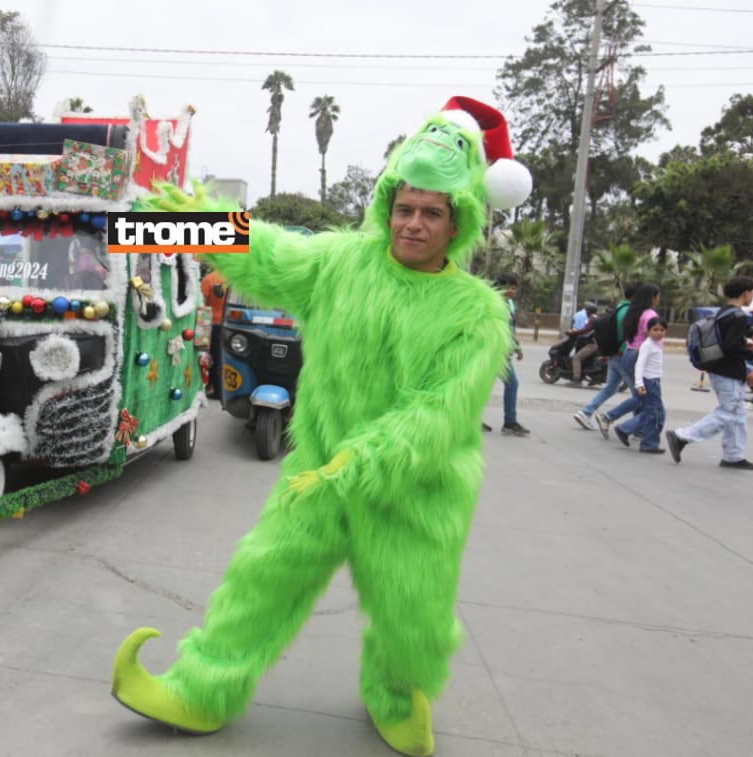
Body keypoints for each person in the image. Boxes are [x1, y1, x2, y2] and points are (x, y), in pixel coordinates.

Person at [110, 95, 533, 756]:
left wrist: (365, 460)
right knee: (261, 577)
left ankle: (396, 693)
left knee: (411, 616)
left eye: (431, 212)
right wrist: (192, 223)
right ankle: (200, 688)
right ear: (387, 205)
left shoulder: (476, 312)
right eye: (405, 207)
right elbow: (268, 252)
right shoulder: (341, 264)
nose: (413, 224)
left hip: (414, 489)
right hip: (318, 472)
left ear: (458, 222)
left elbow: (440, 410)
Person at [667, 276, 753, 470]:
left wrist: (747, 346)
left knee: (738, 413)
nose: (752, 296)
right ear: (745, 293)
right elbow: (731, 347)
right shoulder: (738, 316)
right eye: (752, 293)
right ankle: (682, 436)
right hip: (729, 371)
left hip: (719, 368)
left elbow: (727, 342)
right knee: (728, 412)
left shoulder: (723, 312)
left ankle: (733, 455)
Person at [595, 283, 660, 439]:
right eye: (657, 296)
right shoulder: (649, 315)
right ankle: (611, 419)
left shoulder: (632, 312)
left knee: (640, 396)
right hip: (639, 356)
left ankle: (637, 427)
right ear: (652, 298)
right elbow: (651, 338)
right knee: (645, 398)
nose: (658, 299)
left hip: (629, 354)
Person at [573, 283, 638, 430]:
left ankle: (585, 412)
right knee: (639, 394)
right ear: (635, 296)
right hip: (623, 355)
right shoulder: (631, 312)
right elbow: (629, 337)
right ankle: (635, 426)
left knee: (611, 388)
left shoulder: (619, 308)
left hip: (613, 355)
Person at [614, 317, 668, 453]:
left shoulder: (657, 343)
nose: (659, 332)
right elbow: (640, 364)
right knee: (656, 413)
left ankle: (625, 429)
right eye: (655, 329)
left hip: (654, 380)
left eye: (662, 330)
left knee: (653, 412)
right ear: (648, 331)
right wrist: (639, 384)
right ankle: (649, 443)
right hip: (649, 381)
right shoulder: (647, 345)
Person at [493, 272, 529, 436]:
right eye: (512, 288)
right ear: (503, 287)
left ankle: (472, 419)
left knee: (484, 386)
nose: (514, 291)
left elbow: (510, 329)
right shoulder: (493, 303)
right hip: (496, 352)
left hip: (502, 351)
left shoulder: (507, 304)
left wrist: (517, 347)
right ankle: (510, 421)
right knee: (512, 384)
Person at [200, 269, 227, 398]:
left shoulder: (208, 280)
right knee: (223, 356)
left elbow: (203, 304)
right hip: (228, 324)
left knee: (208, 356)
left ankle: (210, 386)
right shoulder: (232, 279)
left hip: (210, 323)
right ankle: (221, 389)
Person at [568, 302, 598, 381]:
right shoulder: (595, 318)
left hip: (593, 344)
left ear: (588, 311)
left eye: (586, 310)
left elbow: (585, 330)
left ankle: (576, 378)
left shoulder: (592, 319)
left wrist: (574, 332)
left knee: (576, 358)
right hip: (592, 342)